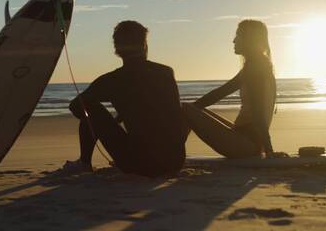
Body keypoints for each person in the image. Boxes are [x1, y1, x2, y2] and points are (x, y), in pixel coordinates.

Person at [65, 20, 188, 177]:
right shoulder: (165, 72)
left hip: (137, 163)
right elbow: (173, 116)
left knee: (88, 107)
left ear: (117, 49)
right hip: (174, 162)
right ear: (144, 45)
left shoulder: (112, 80)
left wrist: (108, 125)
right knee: (180, 109)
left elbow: (75, 106)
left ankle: (84, 162)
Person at [183, 20, 278, 158]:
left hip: (245, 146)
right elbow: (219, 93)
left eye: (238, 36)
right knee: (191, 109)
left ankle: (171, 154)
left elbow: (258, 112)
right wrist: (194, 108)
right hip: (245, 140)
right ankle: (172, 153)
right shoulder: (257, 65)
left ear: (249, 39)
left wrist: (269, 151)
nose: (234, 41)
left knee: (185, 109)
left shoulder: (255, 68)